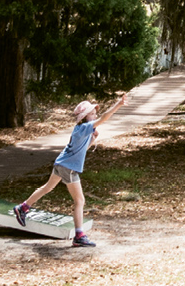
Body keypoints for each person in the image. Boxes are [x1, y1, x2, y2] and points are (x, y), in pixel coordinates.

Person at [14, 92, 127, 247]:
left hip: (61, 163)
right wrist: (118, 104)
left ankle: (23, 207)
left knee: (48, 187)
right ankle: (79, 235)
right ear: (85, 117)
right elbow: (104, 118)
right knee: (79, 200)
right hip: (69, 168)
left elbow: (81, 150)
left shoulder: (81, 130)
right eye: (92, 114)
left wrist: (93, 140)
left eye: (95, 113)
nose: (95, 116)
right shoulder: (85, 127)